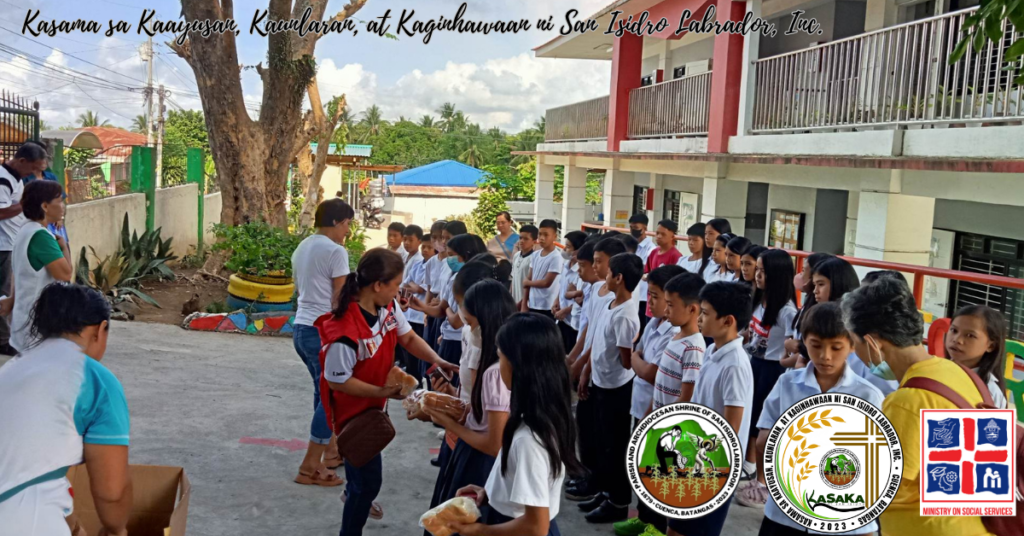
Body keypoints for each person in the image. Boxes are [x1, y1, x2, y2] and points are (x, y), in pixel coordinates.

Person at [317, 249, 456, 535]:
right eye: (396, 284)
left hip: (372, 408)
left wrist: (436, 359)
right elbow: (337, 380)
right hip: (351, 416)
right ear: (378, 285)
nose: (399, 290)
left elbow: (408, 337)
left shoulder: (388, 308)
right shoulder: (344, 331)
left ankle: (355, 495)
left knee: (367, 482)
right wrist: (381, 390)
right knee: (367, 483)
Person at [842, 277, 991, 535]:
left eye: (855, 342)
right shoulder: (960, 373)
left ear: (874, 344)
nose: (855, 351)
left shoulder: (905, 403)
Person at [0, 283, 131, 536]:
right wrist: (116, 530)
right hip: (22, 519)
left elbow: (34, 468)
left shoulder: (12, 370)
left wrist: (74, 526)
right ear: (101, 330)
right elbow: (112, 493)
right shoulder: (95, 380)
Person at [753, 302, 884, 536]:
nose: (825, 356)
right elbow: (763, 437)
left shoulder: (868, 395)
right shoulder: (787, 383)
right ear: (804, 341)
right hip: (785, 514)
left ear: (852, 345)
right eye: (816, 345)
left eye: (836, 348)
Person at [453, 313, 583, 536]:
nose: (497, 361)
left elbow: (536, 527)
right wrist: (491, 492)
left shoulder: (528, 440)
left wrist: (479, 531)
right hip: (510, 517)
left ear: (516, 366)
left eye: (500, 355)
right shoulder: (542, 416)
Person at [424, 279, 515, 526]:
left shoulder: (497, 373)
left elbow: (494, 444)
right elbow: (479, 413)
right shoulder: (490, 359)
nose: (468, 331)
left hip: (481, 460)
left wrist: (448, 422)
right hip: (470, 449)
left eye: (471, 324)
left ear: (487, 321)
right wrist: (448, 400)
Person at [667, 281, 753, 536]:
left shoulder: (735, 365)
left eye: (705, 313)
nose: (700, 318)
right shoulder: (714, 350)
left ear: (728, 321)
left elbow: (731, 427)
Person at [616, 264, 684, 536]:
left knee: (659, 470)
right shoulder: (653, 323)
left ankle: (656, 526)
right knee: (644, 467)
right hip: (643, 404)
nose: (652, 302)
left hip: (660, 412)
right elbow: (638, 356)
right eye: (651, 295)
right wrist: (638, 361)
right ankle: (643, 518)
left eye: (657, 297)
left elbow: (650, 371)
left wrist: (637, 361)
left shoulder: (674, 333)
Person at [290, 199, 353, 486]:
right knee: (330, 399)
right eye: (347, 224)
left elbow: (300, 288)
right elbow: (339, 298)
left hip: (302, 328)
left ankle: (330, 452)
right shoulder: (335, 251)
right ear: (338, 222)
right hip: (323, 330)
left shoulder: (303, 246)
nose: (348, 232)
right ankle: (310, 467)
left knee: (322, 393)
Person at [578, 253, 643, 524]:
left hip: (617, 387)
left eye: (609, 272)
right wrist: (586, 370)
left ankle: (617, 501)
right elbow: (599, 343)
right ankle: (604, 491)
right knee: (602, 442)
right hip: (600, 381)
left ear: (619, 278)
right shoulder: (612, 304)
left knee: (615, 447)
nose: (603, 276)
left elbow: (626, 361)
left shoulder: (627, 315)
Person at [565, 238, 627, 503]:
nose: (581, 270)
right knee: (588, 429)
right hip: (592, 368)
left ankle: (602, 486)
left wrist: (582, 365)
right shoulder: (596, 290)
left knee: (604, 437)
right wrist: (574, 356)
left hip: (605, 375)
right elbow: (588, 330)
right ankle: (590, 478)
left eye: (597, 262)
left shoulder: (614, 298)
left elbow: (602, 339)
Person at [739, 249, 796, 501]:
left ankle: (755, 470)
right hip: (755, 363)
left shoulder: (786, 311)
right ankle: (748, 463)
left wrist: (783, 359)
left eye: (763, 271)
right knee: (750, 413)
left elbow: (791, 346)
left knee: (761, 419)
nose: (757, 275)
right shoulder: (759, 300)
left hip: (773, 369)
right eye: (757, 270)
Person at [1, 180, 72, 352]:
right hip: (38, 322)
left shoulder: (25, 230)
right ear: (45, 206)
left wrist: (12, 298)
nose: (63, 206)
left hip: (25, 318)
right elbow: (65, 274)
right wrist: (63, 247)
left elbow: (20, 273)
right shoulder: (41, 237)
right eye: (59, 201)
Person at [412, 233, 486, 373]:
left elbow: (456, 321)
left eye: (452, 255)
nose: (449, 259)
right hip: (448, 335)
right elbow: (440, 309)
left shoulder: (473, 279)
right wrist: (421, 306)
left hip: (461, 339)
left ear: (466, 254)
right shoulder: (454, 275)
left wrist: (446, 308)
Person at [0, 142, 47, 356]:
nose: (34, 173)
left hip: (11, 242)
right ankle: (2, 340)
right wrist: (26, 202)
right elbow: (1, 212)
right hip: (2, 245)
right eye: (33, 168)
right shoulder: (3, 180)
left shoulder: (15, 178)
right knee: (4, 292)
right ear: (21, 161)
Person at [651, 272, 707, 411]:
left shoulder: (693, 348)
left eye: (670, 305)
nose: (665, 310)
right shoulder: (676, 336)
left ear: (692, 309)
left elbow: (686, 399)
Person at [945, 305, 1008, 408]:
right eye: (954, 330)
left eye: (970, 335)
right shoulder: (933, 370)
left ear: (990, 346)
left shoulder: (990, 392)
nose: (957, 339)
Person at [400, 230, 434, 382]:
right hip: (410, 315)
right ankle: (413, 381)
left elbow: (422, 289)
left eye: (429, 247)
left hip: (422, 316)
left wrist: (415, 286)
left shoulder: (434, 265)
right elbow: (405, 284)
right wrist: (415, 286)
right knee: (409, 354)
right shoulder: (418, 264)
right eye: (424, 247)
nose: (425, 250)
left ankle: (420, 382)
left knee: (421, 352)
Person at [553, 231, 587, 354]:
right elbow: (562, 286)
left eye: (568, 247)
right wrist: (557, 301)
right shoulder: (566, 265)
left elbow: (583, 299)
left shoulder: (582, 272)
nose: (565, 249)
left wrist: (565, 310)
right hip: (562, 318)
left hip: (573, 320)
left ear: (578, 250)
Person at [643, 220, 682, 326]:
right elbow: (647, 271)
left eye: (663, 234)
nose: (659, 236)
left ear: (672, 236)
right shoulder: (654, 252)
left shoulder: (676, 256)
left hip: (663, 307)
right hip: (650, 304)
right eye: (657, 233)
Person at [523, 219, 562, 317]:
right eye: (540, 234)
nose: (542, 238)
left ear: (555, 237)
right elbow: (529, 278)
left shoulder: (556, 257)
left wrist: (528, 283)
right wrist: (524, 304)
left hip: (547, 307)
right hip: (532, 304)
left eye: (546, 235)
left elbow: (546, 283)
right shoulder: (535, 255)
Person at [630, 214, 655, 332]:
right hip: (632, 293)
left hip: (643, 296)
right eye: (631, 227)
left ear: (644, 228)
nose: (632, 230)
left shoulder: (651, 248)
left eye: (635, 227)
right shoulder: (631, 245)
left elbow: (644, 269)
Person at [510, 224, 537, 309]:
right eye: (520, 238)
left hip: (525, 304)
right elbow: (513, 278)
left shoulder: (534, 258)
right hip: (514, 301)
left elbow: (532, 284)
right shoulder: (516, 256)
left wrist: (523, 303)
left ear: (534, 241)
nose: (521, 241)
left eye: (526, 239)